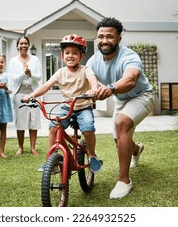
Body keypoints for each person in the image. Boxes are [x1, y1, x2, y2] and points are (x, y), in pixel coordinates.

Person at [87, 17, 155, 199]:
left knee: (122, 124)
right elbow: (87, 74)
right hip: (121, 100)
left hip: (142, 95)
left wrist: (109, 88)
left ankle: (124, 181)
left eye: (109, 36)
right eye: (101, 36)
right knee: (119, 142)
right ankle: (136, 149)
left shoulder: (129, 56)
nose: (104, 40)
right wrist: (93, 88)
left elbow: (130, 80)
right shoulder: (95, 59)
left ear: (118, 38)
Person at [22, 34, 103, 173]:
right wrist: (31, 95)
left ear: (81, 56)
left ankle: (91, 154)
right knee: (53, 127)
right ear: (62, 55)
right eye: (67, 53)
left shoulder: (85, 70)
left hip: (83, 107)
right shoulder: (60, 72)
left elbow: (92, 79)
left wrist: (94, 89)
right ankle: (51, 160)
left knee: (88, 127)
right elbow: (46, 86)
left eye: (75, 53)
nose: (70, 56)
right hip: (67, 107)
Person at [8, 36, 42, 156]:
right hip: (19, 94)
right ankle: (20, 147)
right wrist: (24, 73)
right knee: (20, 122)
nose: (23, 46)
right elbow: (13, 78)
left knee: (33, 121)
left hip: (33, 93)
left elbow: (39, 77)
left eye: (25, 43)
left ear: (28, 45)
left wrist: (31, 73)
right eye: (21, 43)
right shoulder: (13, 61)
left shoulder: (35, 59)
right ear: (18, 46)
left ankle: (33, 148)